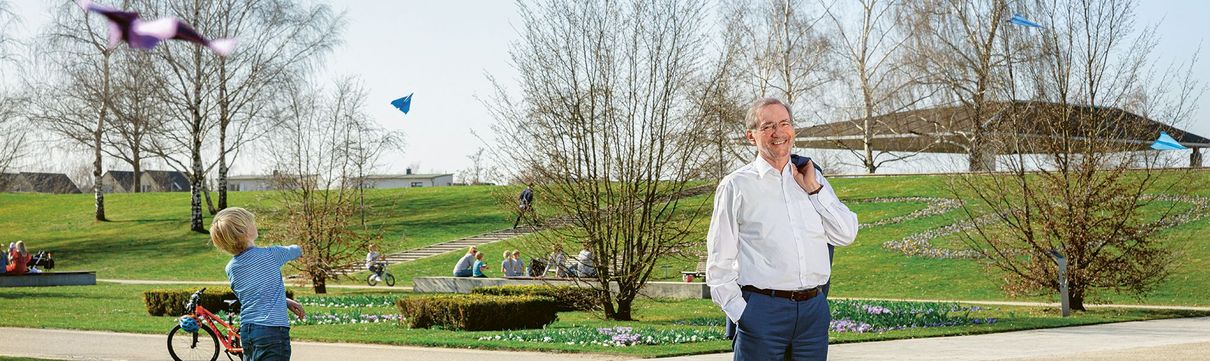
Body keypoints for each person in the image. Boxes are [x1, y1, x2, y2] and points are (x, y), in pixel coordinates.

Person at [706, 98, 859, 361]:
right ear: (751, 136)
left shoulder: (812, 178)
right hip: (762, 312)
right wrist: (743, 313)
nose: (779, 133)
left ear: (793, 129)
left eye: (784, 123)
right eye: (768, 126)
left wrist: (814, 190)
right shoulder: (736, 186)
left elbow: (846, 234)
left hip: (813, 313)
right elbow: (719, 263)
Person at [210, 207, 307, 361]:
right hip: (273, 331)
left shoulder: (231, 268)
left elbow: (253, 295)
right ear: (245, 232)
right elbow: (296, 250)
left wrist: (285, 301)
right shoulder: (270, 255)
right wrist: (304, 244)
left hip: (248, 331)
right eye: (252, 223)